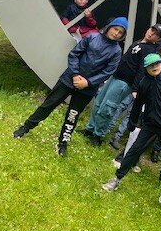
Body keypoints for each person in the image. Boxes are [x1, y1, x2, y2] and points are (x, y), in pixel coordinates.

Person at [12, 17, 128, 156]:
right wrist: (75, 74)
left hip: (87, 89)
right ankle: (25, 127)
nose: (116, 33)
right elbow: (74, 54)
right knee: (48, 104)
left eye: (120, 32)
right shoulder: (92, 37)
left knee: (73, 115)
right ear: (110, 27)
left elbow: (108, 72)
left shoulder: (116, 51)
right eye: (115, 29)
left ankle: (63, 143)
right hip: (68, 79)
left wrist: (88, 82)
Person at [101, 53, 161, 206]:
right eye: (151, 66)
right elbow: (137, 105)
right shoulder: (144, 83)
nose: (154, 67)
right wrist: (132, 122)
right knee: (134, 150)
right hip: (149, 124)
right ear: (146, 69)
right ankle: (116, 179)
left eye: (157, 64)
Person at [82, 24, 161, 145]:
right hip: (115, 76)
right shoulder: (139, 42)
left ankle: (98, 135)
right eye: (152, 30)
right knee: (99, 102)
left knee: (107, 108)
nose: (152, 33)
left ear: (158, 39)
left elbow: (142, 70)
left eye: (156, 34)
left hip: (124, 82)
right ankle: (90, 129)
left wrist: (135, 88)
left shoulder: (150, 50)